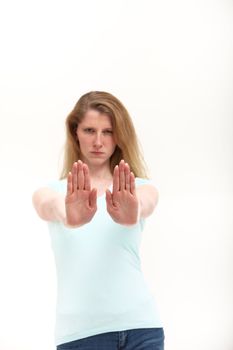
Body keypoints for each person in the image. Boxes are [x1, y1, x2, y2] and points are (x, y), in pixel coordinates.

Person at [32, 91, 165, 350]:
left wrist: (133, 211)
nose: (98, 141)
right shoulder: (52, 192)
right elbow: (47, 206)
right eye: (90, 130)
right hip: (82, 334)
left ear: (119, 136)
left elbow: (147, 203)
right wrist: (67, 213)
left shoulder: (138, 189)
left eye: (108, 132)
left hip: (142, 328)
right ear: (75, 132)